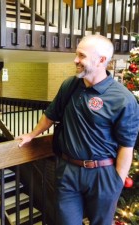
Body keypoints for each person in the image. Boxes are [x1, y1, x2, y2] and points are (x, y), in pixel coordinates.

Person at [17, 34, 139, 225]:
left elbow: (126, 145)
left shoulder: (123, 99)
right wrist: (32, 134)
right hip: (68, 171)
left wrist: (116, 182)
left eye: (81, 56)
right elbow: (51, 114)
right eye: (76, 54)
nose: (75, 60)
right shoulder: (70, 85)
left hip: (103, 174)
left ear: (101, 60)